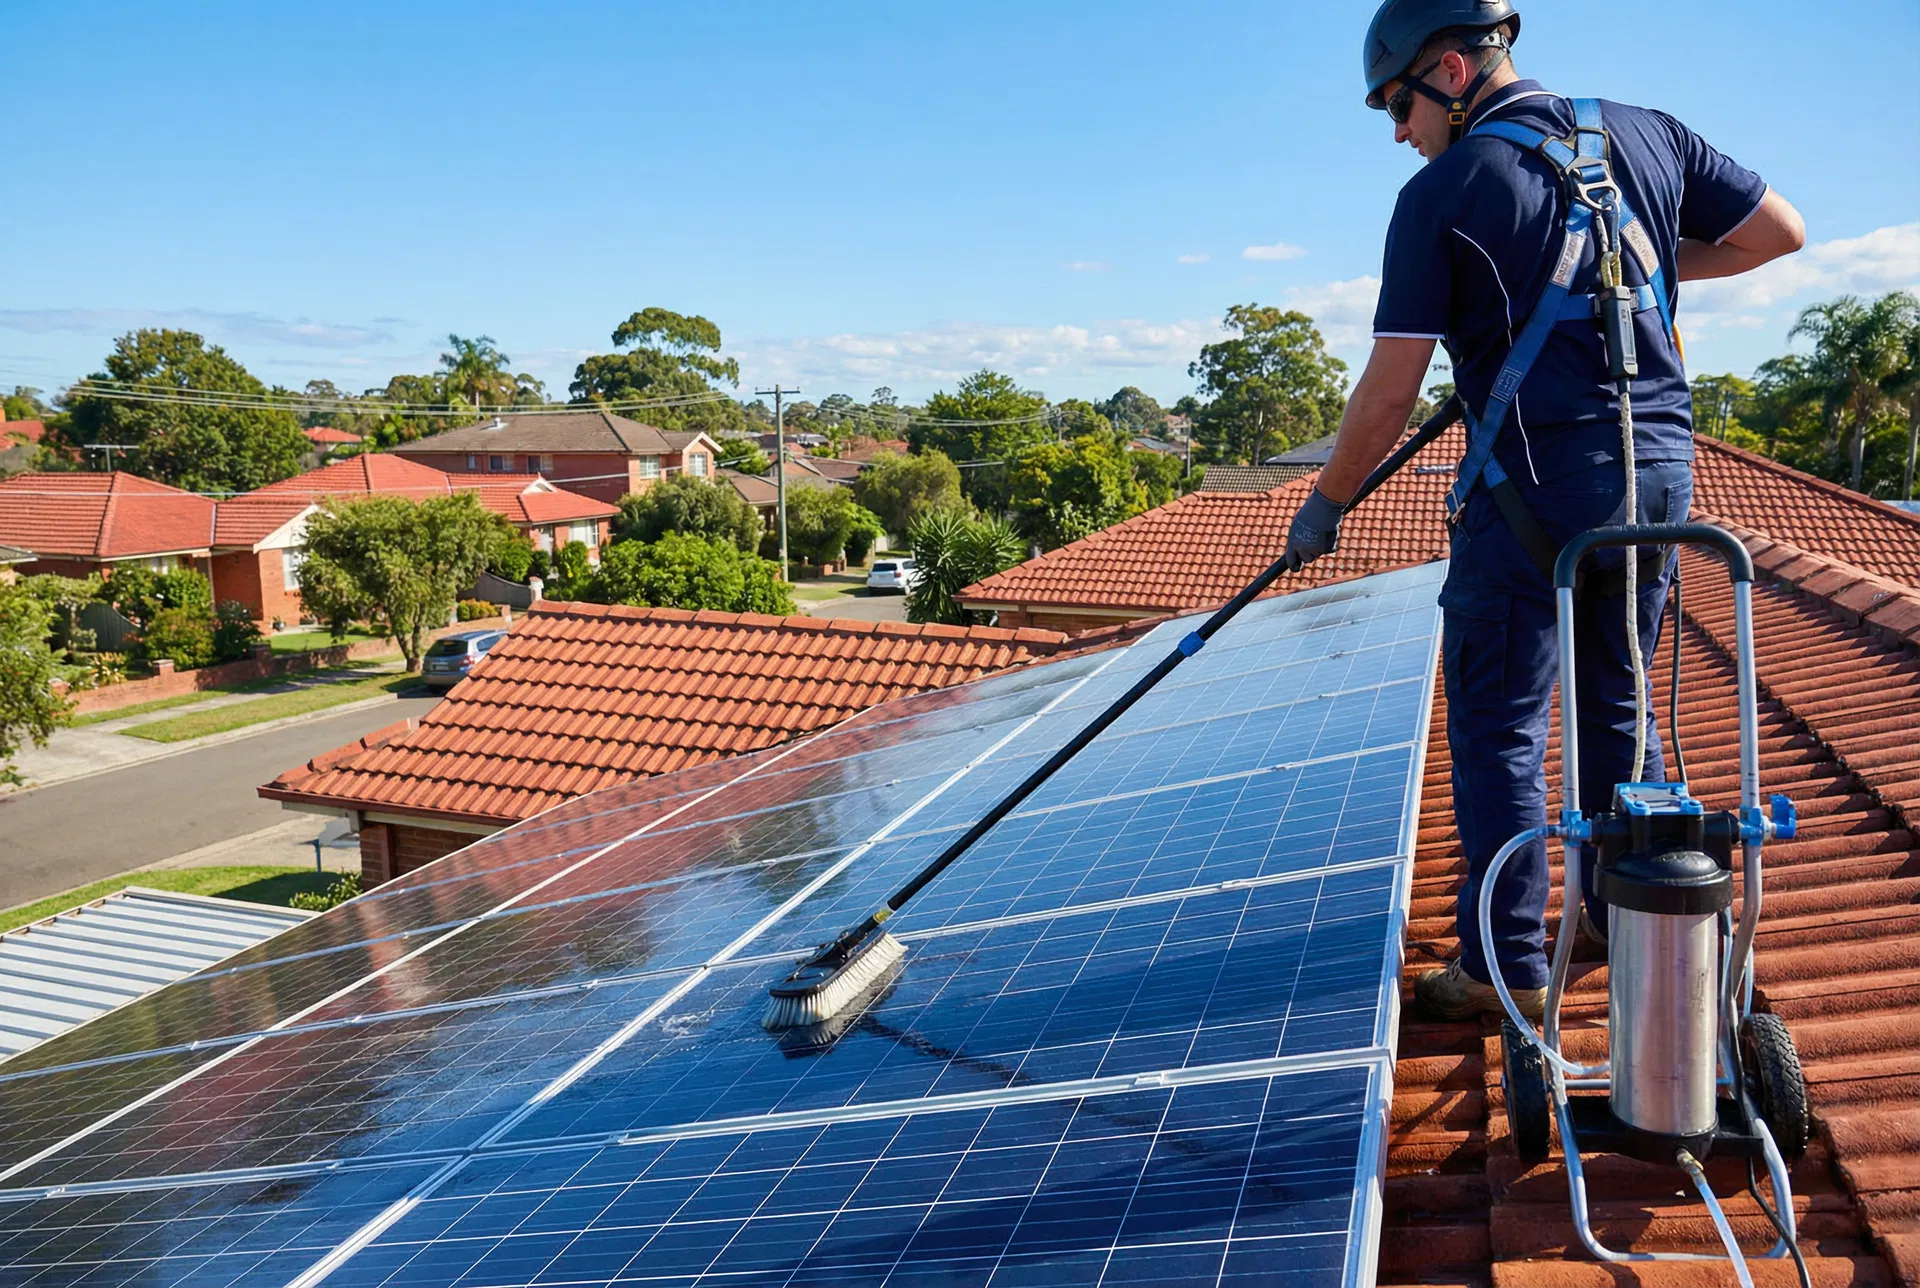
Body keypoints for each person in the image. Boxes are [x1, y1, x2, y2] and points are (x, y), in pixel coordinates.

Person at [1283, 0, 1804, 1019]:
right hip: (1660, 481)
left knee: (1500, 726)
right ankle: (1617, 911)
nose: (1399, 131)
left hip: (1533, 496)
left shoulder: (1443, 193)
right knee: (1618, 700)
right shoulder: (1648, 133)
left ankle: (1505, 967)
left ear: (1448, 69)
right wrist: (1638, 246)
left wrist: (1325, 499)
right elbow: (1778, 235)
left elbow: (1387, 393)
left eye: (1397, 105)